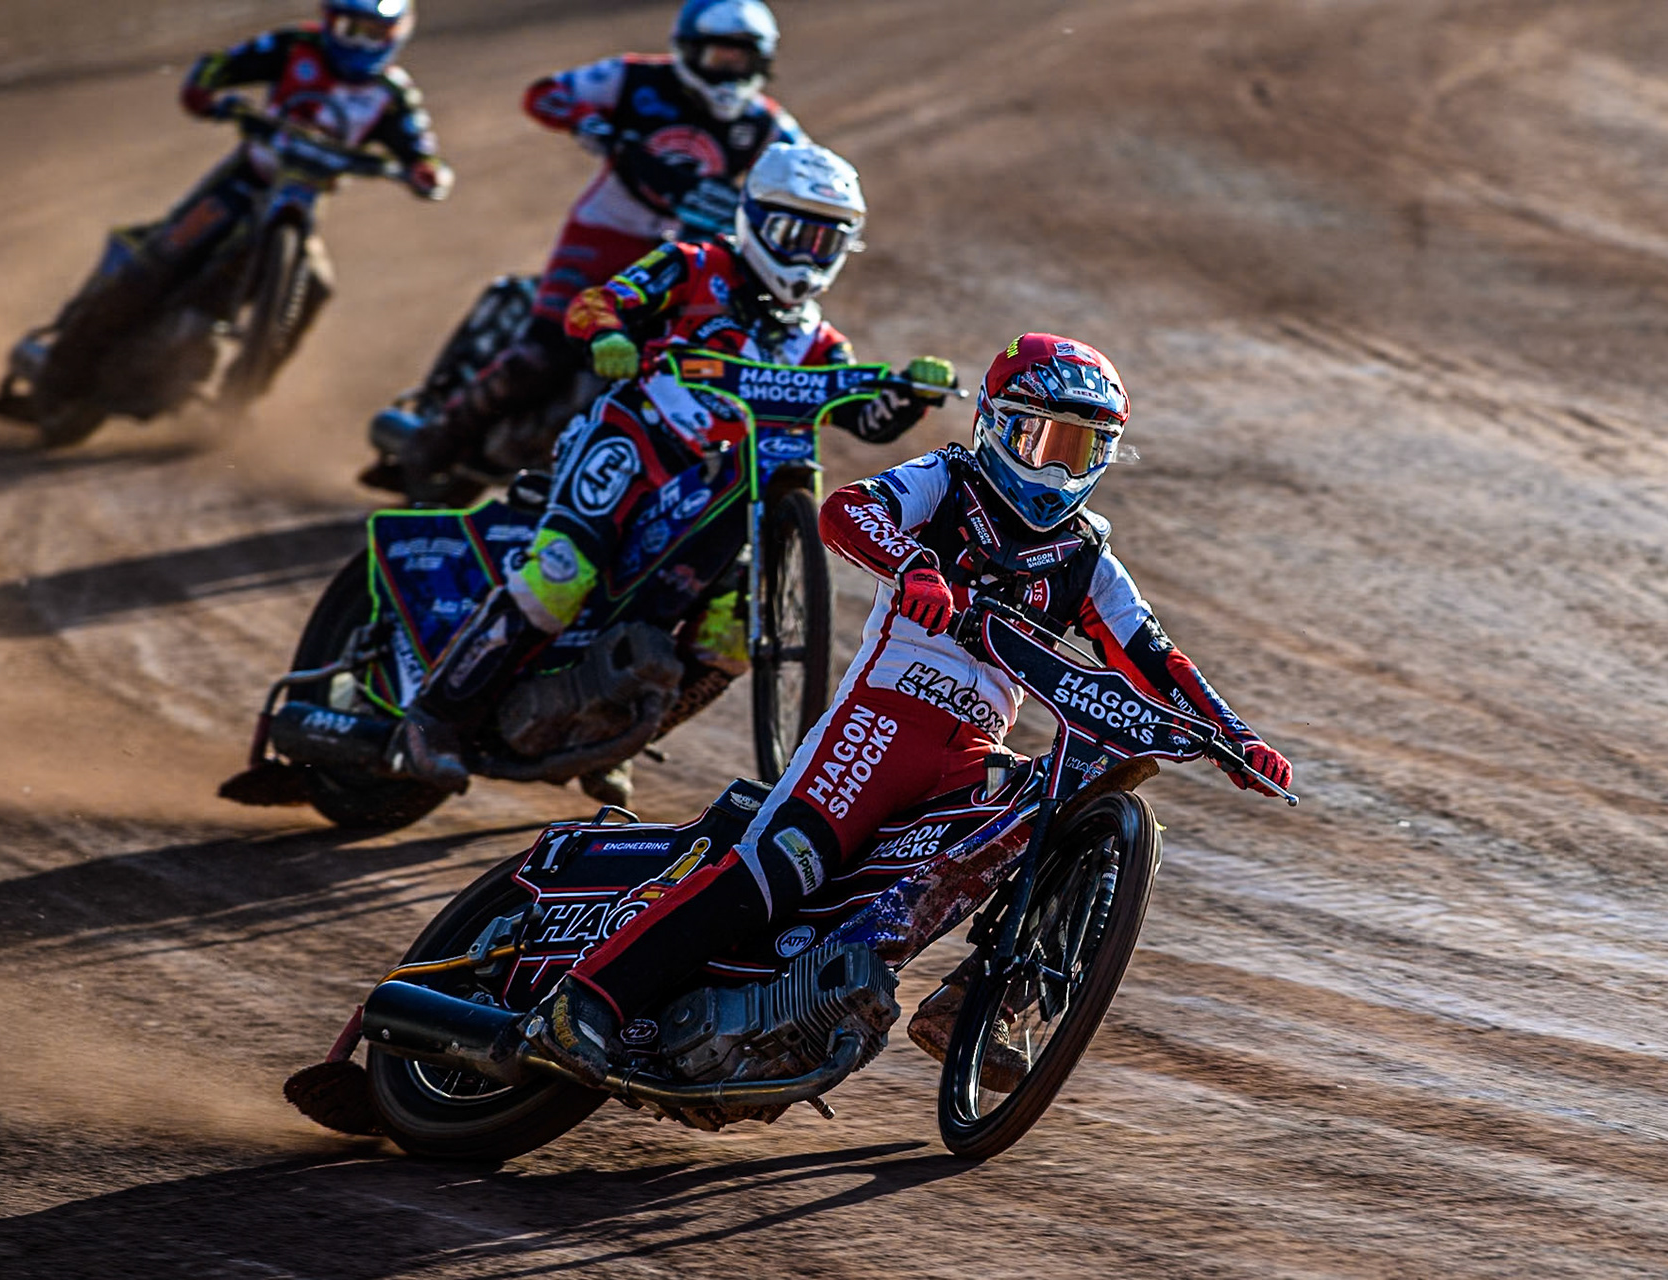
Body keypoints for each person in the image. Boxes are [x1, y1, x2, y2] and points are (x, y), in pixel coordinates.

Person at [517, 332, 1297, 1087]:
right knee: (780, 869)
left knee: (1063, 811)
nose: (1058, 467)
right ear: (995, 424)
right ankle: (583, 1004)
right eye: (1042, 440)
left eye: (1081, 450)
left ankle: (974, 1009)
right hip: (879, 725)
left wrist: (1236, 736)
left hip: (966, 756)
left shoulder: (1089, 556)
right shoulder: (949, 479)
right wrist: (914, 562)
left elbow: (1158, 657)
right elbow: (846, 511)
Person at [388, 143, 958, 805]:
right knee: (560, 576)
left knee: (731, 640)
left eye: (826, 240)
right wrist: (611, 335)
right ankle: (433, 718)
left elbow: (864, 419)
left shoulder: (821, 342)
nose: (805, 254)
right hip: (635, 445)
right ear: (753, 220)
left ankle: (610, 733)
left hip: (731, 495)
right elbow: (596, 304)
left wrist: (911, 392)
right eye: (791, 233)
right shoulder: (692, 266)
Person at [373, 0, 809, 483]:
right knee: (543, 353)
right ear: (689, 50)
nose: (729, 71)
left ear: (762, 63)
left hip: (690, 257)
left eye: (741, 59)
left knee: (694, 359)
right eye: (718, 56)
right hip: (603, 235)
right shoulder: (634, 78)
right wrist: (588, 121)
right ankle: (433, 444)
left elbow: (806, 171)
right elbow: (544, 94)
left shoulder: (768, 123)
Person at [35, 0, 452, 405]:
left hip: (305, 200)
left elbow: (421, 151)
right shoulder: (293, 47)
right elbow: (219, 65)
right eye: (351, 29)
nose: (361, 44)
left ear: (398, 33)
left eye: (375, 33)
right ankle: (60, 373)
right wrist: (206, 91)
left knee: (317, 288)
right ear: (329, 21)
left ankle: (240, 399)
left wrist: (425, 172)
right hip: (245, 180)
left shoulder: (392, 95)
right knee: (161, 257)